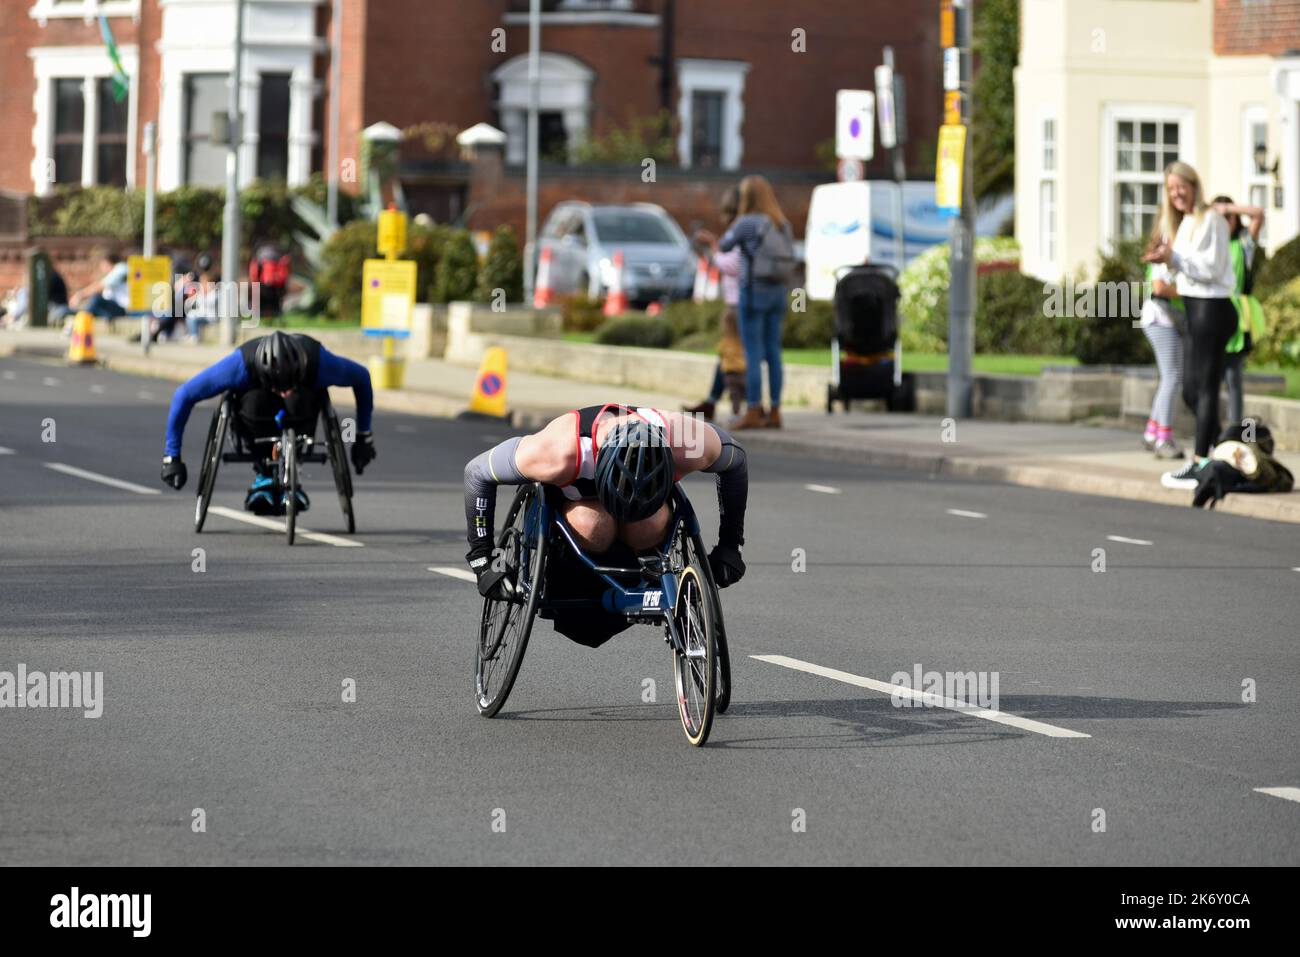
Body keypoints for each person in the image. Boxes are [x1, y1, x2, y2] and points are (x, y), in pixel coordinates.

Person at [463, 404, 748, 648]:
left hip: (644, 527)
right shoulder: (558, 452)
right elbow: (477, 473)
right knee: (594, 526)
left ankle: (645, 570)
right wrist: (482, 560)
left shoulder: (686, 440)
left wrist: (730, 545)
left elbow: (736, 461)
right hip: (576, 530)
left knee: (649, 524)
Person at [159, 331, 376, 514]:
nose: (283, 393)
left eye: (287, 387)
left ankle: (293, 469)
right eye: (278, 388)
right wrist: (172, 456)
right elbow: (184, 395)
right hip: (255, 410)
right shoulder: (240, 365)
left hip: (302, 408)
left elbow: (362, 378)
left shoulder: (320, 363)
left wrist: (363, 436)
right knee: (255, 400)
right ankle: (263, 472)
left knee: (302, 398)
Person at [1142, 162, 1237, 491]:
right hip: (1195, 309)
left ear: (1194, 185)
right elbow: (1177, 273)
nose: (1176, 194)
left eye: (1181, 186)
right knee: (1190, 390)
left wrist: (1175, 260)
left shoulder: (1212, 220)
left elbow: (1210, 268)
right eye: (1170, 189)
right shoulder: (1183, 225)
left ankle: (1201, 461)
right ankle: (1219, 450)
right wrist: (1163, 262)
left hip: (1214, 309)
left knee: (1206, 386)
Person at [717, 175, 796, 430]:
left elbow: (725, 245)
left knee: (753, 353)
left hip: (752, 294)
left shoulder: (746, 223)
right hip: (778, 293)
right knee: (773, 352)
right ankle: (774, 411)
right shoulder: (782, 223)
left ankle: (752, 409)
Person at [686, 186, 746, 421]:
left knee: (735, 357)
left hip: (739, 303)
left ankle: (743, 404)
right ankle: (712, 401)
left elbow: (733, 264)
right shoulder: (747, 228)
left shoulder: (743, 228)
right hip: (736, 301)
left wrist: (713, 247)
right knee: (727, 355)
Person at [1211, 196, 1266, 427]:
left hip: (1238, 317)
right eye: (1220, 218)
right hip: (1213, 312)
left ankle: (1235, 427)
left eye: (1228, 218)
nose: (1224, 221)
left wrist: (1228, 207)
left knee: (1233, 375)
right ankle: (1210, 428)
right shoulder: (1210, 242)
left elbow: (1258, 214)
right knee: (1211, 378)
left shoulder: (1244, 242)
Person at [1138, 254, 1185, 459]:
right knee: (1172, 378)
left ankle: (1152, 432)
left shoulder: (1170, 249)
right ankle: (1163, 438)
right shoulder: (1167, 249)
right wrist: (1189, 292)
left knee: (1169, 378)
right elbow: (1159, 288)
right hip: (1161, 319)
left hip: (1161, 319)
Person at [69, 248, 130, 320]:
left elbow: (100, 286)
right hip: (115, 309)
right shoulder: (114, 273)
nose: (102, 268)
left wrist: (79, 295)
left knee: (97, 299)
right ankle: (78, 320)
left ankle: (80, 322)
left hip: (125, 310)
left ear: (107, 262)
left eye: (102, 265)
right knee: (93, 308)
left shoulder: (121, 268)